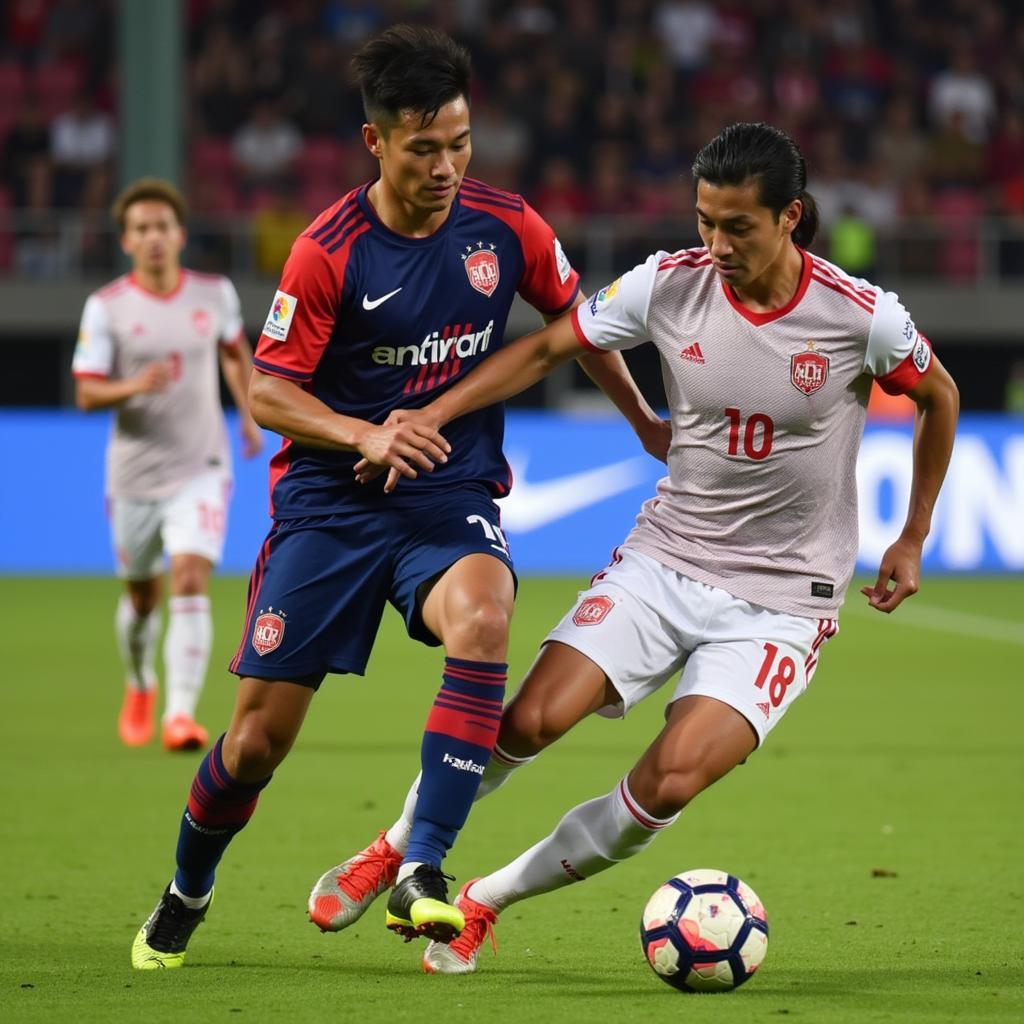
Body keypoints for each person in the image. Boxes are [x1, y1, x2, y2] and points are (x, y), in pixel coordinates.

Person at [310, 121, 960, 974]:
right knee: (530, 719)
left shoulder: (861, 317)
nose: (715, 244)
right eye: (704, 221)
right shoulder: (666, 286)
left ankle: (483, 901)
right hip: (667, 556)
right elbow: (550, 345)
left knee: (671, 780)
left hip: (783, 601)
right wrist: (432, 416)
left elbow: (940, 396)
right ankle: (395, 847)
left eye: (738, 227)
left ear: (790, 216)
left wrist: (912, 535)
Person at [130, 24, 664, 970]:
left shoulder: (506, 227)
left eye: (460, 143)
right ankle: (186, 890)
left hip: (444, 493)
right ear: (375, 143)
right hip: (329, 506)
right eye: (425, 149)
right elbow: (264, 391)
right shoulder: (327, 252)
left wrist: (643, 421)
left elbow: (577, 326)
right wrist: (364, 432)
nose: (448, 165)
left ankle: (423, 867)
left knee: (486, 618)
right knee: (254, 746)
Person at [72, 177, 264, 753]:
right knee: (142, 597)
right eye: (142, 229)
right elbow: (86, 393)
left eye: (163, 226)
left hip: (202, 463)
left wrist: (250, 412)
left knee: (189, 576)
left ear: (179, 234)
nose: (154, 237)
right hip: (133, 474)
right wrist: (134, 385)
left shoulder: (214, 294)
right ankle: (140, 684)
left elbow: (236, 354)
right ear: (127, 241)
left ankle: (180, 715)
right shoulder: (107, 307)